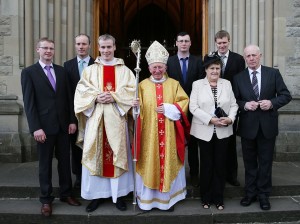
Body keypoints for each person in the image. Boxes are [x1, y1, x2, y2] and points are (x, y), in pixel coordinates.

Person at [74, 34, 136, 213]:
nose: (106, 51)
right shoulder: (90, 70)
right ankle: (96, 196)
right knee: (96, 155)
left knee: (116, 155)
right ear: (98, 48)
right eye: (103, 47)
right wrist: (95, 97)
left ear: (115, 47)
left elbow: (132, 92)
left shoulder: (125, 71)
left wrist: (114, 96)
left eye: (109, 47)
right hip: (96, 120)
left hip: (117, 121)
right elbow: (81, 93)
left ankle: (119, 196)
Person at [21, 37, 81, 217]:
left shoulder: (62, 72)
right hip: (44, 129)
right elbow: (29, 103)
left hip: (64, 127)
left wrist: (72, 120)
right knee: (45, 165)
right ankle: (46, 200)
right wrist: (35, 128)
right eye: (45, 48)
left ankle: (66, 194)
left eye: (51, 48)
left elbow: (70, 99)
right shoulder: (29, 72)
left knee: (65, 163)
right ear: (37, 50)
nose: (48, 51)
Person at [132, 41, 190, 211]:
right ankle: (148, 200)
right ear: (149, 68)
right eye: (154, 67)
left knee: (168, 164)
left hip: (169, 134)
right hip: (149, 136)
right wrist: (134, 106)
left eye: (160, 67)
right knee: (150, 164)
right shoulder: (141, 86)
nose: (157, 71)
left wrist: (169, 108)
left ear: (165, 67)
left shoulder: (174, 84)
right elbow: (136, 114)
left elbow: (184, 102)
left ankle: (168, 200)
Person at [233, 44, 291, 210]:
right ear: (245, 58)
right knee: (249, 162)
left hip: (267, 126)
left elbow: (286, 95)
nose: (251, 58)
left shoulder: (273, 74)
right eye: (248, 56)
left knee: (265, 163)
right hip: (247, 127)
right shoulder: (238, 78)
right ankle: (250, 193)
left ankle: (264, 195)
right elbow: (234, 101)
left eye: (254, 55)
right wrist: (244, 105)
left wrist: (271, 103)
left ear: (260, 56)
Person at [189, 52, 238, 210]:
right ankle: (205, 197)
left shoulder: (227, 84)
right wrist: (210, 119)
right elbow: (193, 107)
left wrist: (230, 119)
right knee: (207, 165)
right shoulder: (197, 84)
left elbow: (234, 105)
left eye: (217, 68)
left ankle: (218, 198)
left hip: (223, 131)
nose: (215, 71)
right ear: (206, 70)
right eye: (212, 69)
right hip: (204, 131)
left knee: (220, 165)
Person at [167, 31, 204, 187]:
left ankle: (194, 174)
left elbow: (202, 84)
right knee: (175, 141)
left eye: (186, 41)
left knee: (194, 143)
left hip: (195, 109)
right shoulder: (169, 62)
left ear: (190, 43)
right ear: (176, 43)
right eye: (180, 41)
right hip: (175, 109)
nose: (183, 43)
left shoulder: (198, 62)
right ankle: (176, 173)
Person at [214, 30, 246, 187]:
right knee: (216, 141)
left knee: (231, 142)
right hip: (214, 104)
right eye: (219, 43)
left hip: (232, 104)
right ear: (216, 43)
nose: (222, 45)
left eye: (224, 42)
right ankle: (217, 173)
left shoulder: (238, 59)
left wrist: (238, 103)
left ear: (229, 42)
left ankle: (232, 175)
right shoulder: (211, 58)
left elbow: (241, 81)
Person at [63, 34, 95, 189]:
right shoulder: (67, 65)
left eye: (84, 44)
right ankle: (79, 176)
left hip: (94, 112)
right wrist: (71, 119)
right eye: (78, 44)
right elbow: (67, 94)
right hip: (75, 114)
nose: (81, 46)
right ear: (75, 45)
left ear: (89, 45)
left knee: (93, 145)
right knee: (76, 147)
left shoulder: (97, 64)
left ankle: (94, 176)